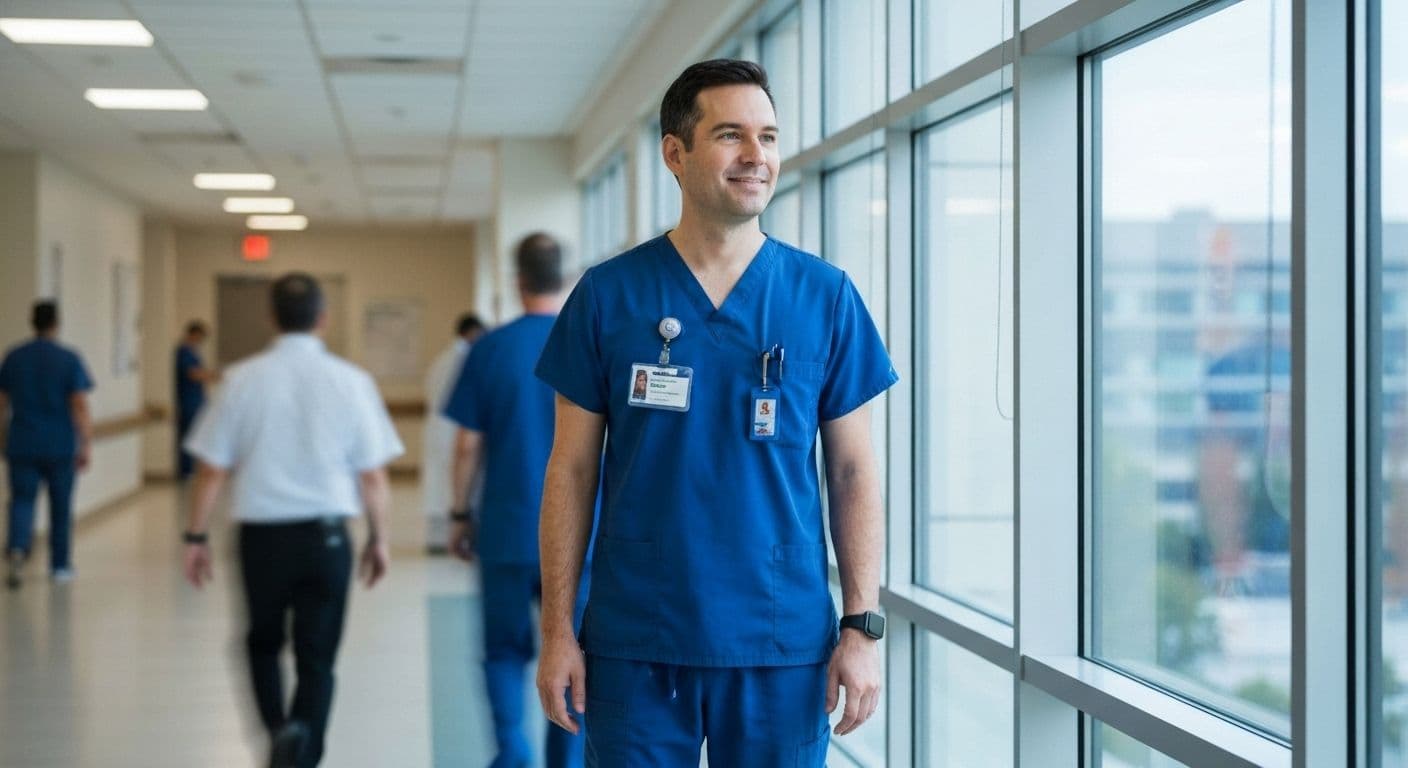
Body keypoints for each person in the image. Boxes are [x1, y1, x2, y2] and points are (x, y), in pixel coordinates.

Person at [533, 59, 896, 766]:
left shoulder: (826, 297)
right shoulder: (608, 296)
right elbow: (570, 470)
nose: (756, 156)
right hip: (638, 637)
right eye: (731, 135)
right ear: (676, 152)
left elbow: (853, 472)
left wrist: (862, 627)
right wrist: (557, 631)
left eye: (768, 136)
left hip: (779, 642)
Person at [180, 273, 403, 768]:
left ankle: (279, 729)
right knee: (317, 658)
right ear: (323, 318)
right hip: (326, 538)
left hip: (263, 539)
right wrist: (379, 539)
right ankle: (303, 749)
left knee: (262, 642)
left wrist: (195, 536)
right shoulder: (351, 381)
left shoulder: (240, 379)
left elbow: (212, 470)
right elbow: (373, 476)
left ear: (271, 316)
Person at [443, 233, 590, 768]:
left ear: (519, 281)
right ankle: (566, 762)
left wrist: (460, 514)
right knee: (574, 653)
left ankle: (512, 753)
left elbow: (466, 446)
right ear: (566, 277)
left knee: (504, 652)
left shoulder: (489, 349)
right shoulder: (587, 343)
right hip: (580, 540)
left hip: (506, 532)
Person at [0, 301, 93, 589]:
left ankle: (17, 549)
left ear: (32, 322)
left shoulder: (14, 357)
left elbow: (1, 403)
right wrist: (86, 443)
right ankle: (60, 566)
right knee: (61, 507)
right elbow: (78, 404)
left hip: (22, 443)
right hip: (59, 445)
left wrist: (2, 437)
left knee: (22, 501)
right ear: (56, 323)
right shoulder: (68, 359)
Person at [422, 312, 486, 553]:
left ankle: (438, 540)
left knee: (439, 487)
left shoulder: (442, 359)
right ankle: (457, 535)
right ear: (470, 332)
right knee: (454, 485)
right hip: (455, 429)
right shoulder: (465, 358)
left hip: (439, 429)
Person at [174, 320, 217, 481]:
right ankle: (186, 471)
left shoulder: (192, 352)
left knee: (196, 435)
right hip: (188, 402)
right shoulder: (183, 352)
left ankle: (192, 469)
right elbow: (192, 374)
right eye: (199, 337)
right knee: (189, 436)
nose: (200, 341)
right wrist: (212, 375)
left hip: (196, 400)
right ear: (192, 334)